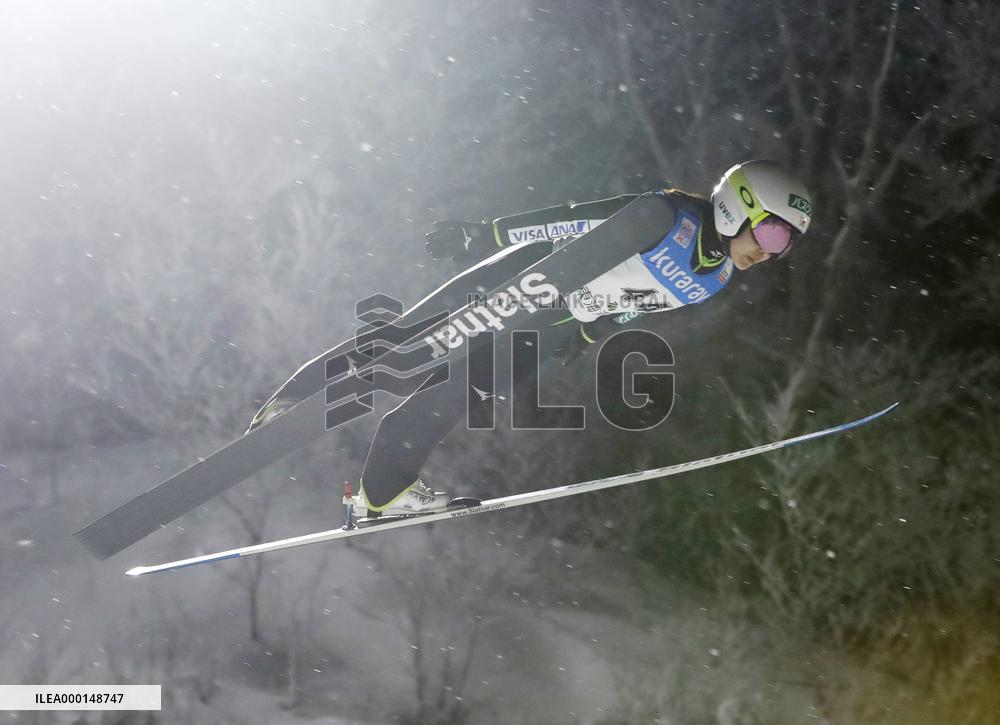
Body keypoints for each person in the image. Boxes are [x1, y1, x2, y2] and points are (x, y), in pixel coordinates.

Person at [353, 160, 813, 519]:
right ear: (738, 206)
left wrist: (587, 335)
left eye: (784, 245)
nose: (768, 252)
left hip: (557, 322)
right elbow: (575, 220)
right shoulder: (668, 217)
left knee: (458, 393)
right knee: (432, 337)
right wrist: (487, 234)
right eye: (771, 232)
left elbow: (637, 304)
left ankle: (382, 492)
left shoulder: (716, 278)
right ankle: (366, 358)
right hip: (531, 279)